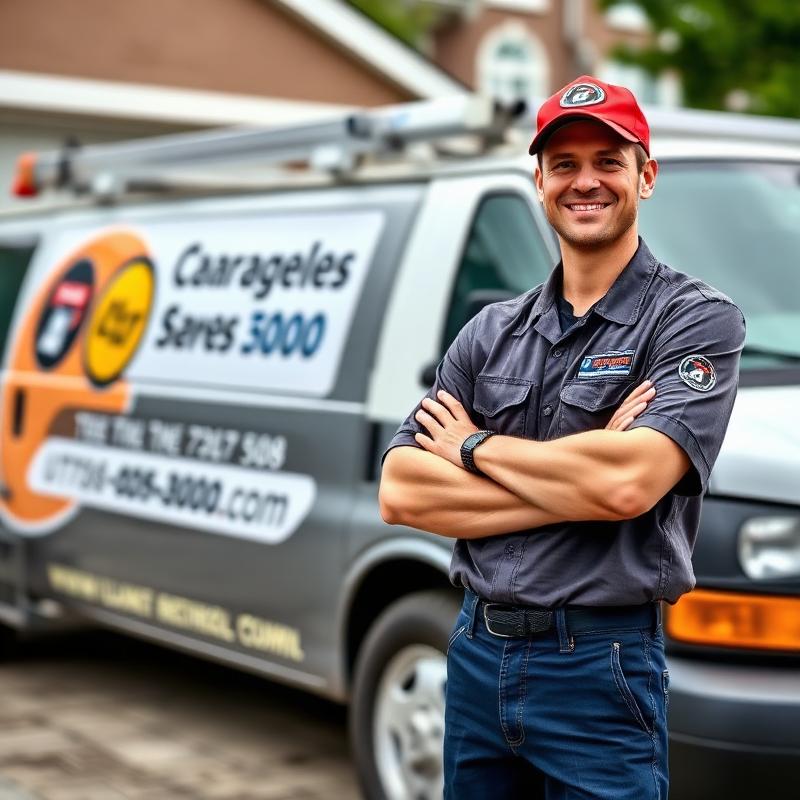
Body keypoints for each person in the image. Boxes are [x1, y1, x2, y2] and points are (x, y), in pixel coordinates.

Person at [379, 75, 745, 800]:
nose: (587, 182)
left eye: (609, 161)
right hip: (477, 655)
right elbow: (401, 491)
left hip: (600, 667)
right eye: (566, 164)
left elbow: (627, 482)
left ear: (646, 175)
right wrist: (582, 478)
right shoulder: (490, 332)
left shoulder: (694, 321)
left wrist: (475, 449)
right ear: (539, 179)